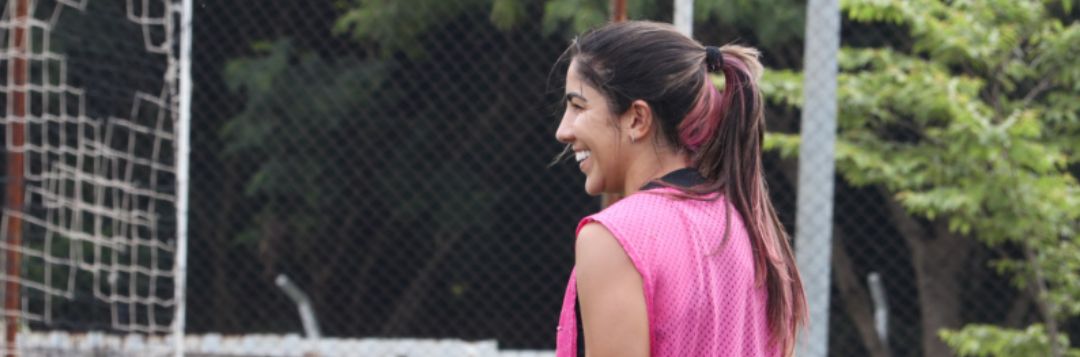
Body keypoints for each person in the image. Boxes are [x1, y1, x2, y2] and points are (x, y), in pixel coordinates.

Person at [552, 21, 807, 357]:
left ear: (637, 119)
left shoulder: (614, 237)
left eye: (579, 106)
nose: (563, 130)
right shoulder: (754, 233)